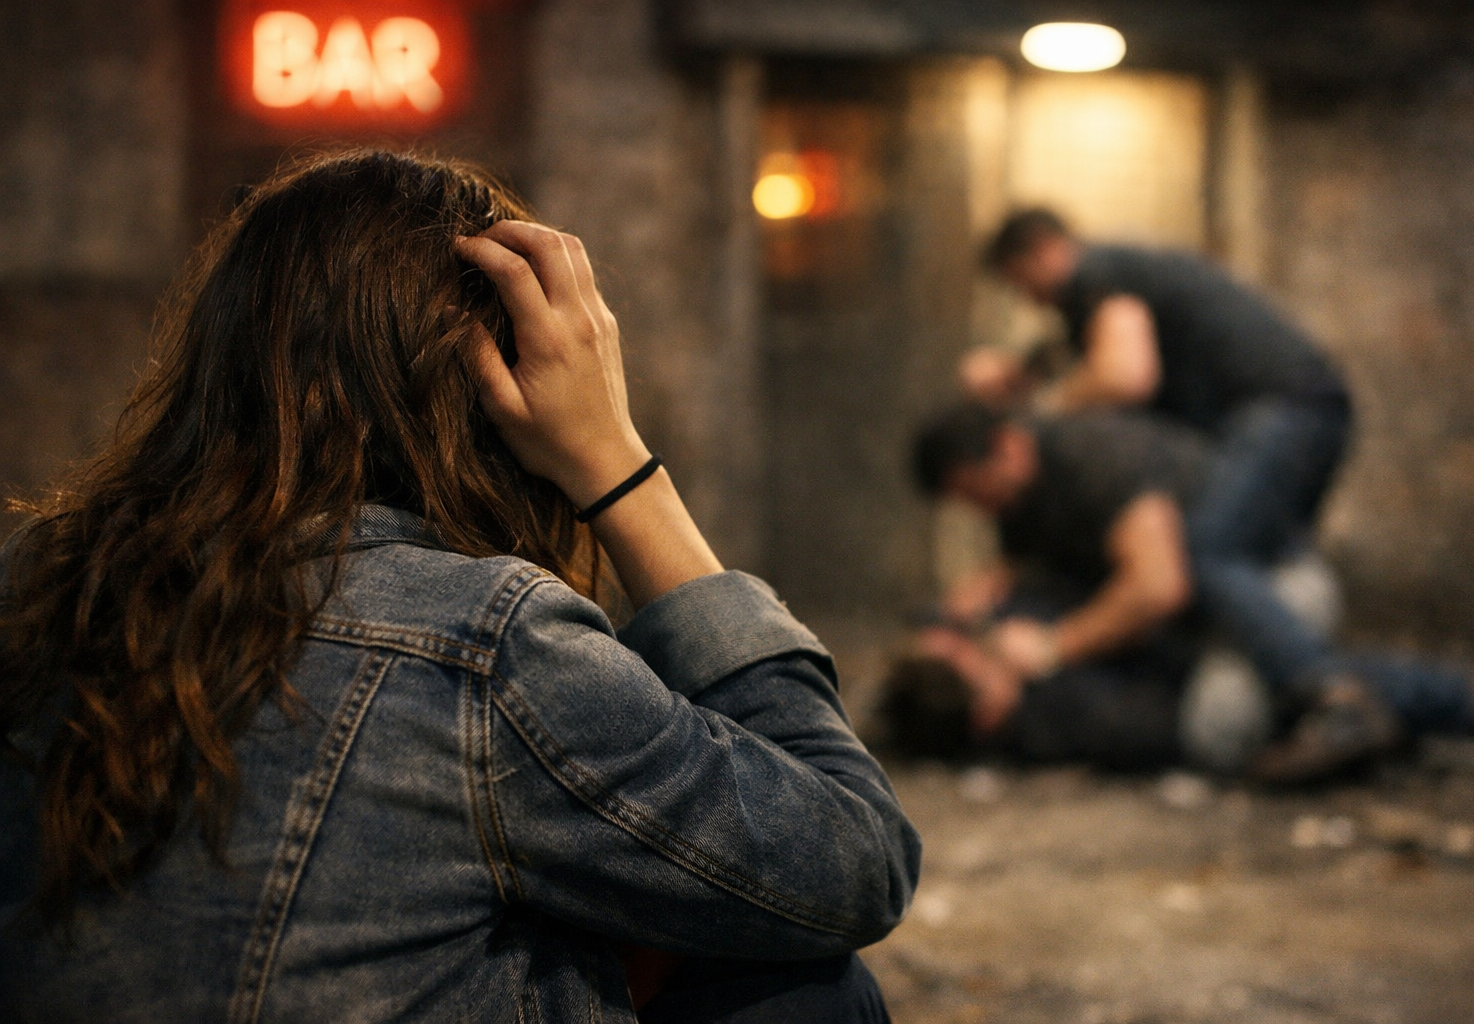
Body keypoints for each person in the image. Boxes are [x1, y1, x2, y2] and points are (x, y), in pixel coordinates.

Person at [0, 151, 920, 1023]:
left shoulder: (39, 582)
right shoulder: (476, 643)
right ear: (497, 391)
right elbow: (852, 857)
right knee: (802, 983)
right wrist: (615, 462)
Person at [901, 403, 1474, 781]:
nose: (978, 507)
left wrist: (1047, 646)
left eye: (973, 487)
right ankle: (1462, 701)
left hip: (1271, 591)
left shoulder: (1090, 461)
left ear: (1007, 449)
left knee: (1267, 679)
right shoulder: (1032, 702)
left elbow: (1157, 587)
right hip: (1201, 686)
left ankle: (1460, 700)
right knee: (1244, 698)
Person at [967, 208, 1354, 607]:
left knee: (1210, 551)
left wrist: (1038, 409)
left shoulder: (1095, 273)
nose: (1030, 300)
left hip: (1281, 407)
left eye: (1021, 282)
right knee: (1268, 565)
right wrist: (1021, 375)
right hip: (1297, 405)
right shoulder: (1107, 283)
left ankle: (1317, 671)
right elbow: (1086, 366)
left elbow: (1125, 376)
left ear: (1044, 250)